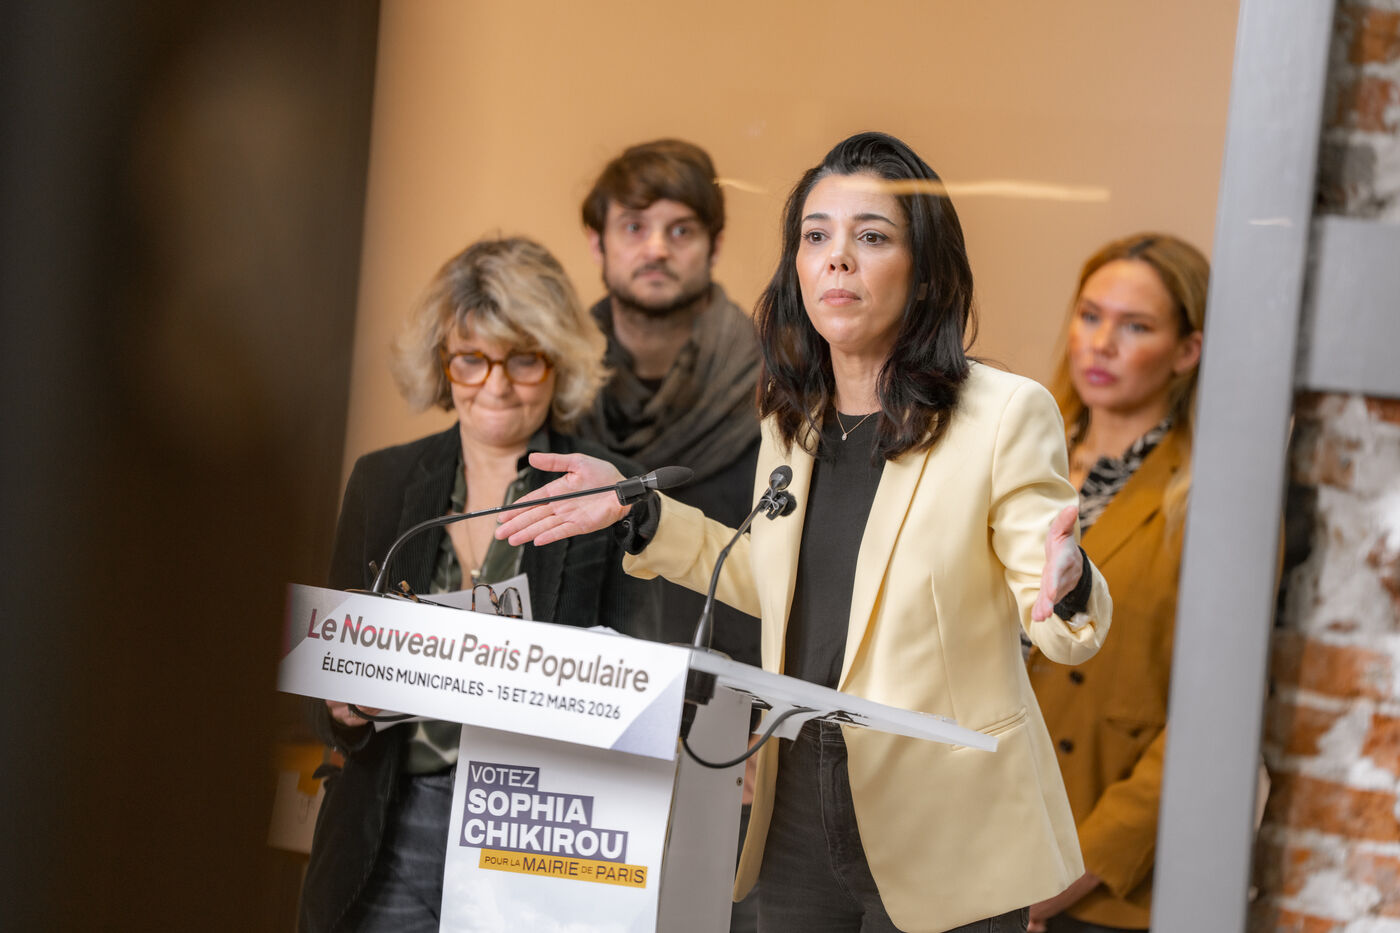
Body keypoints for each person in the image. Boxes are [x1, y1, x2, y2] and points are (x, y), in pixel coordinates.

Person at [496, 132, 1113, 933]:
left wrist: (1068, 582)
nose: (837, 258)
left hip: (944, 814)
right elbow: (777, 585)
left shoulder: (1003, 413)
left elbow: (1059, 617)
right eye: (816, 236)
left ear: (925, 270)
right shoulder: (794, 419)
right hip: (797, 797)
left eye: (872, 236)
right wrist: (636, 510)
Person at [298, 236, 660, 933]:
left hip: (536, 829)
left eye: (522, 358)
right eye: (471, 358)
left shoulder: (607, 493)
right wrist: (344, 707)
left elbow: (639, 688)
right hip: (389, 824)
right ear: (443, 363)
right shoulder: (382, 481)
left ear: (558, 361)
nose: (496, 385)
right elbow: (325, 686)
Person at [1025, 234, 1207, 933]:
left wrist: (1072, 874)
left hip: (1096, 886)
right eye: (1091, 315)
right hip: (968, 838)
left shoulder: (1205, 499)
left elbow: (1207, 724)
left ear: (1186, 351)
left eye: (1135, 327)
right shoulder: (1022, 460)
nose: (1101, 343)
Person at [575, 138, 762, 663]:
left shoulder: (783, 386)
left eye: (680, 230)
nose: (656, 249)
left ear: (714, 246)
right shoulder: (549, 384)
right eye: (634, 227)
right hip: (574, 677)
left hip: (735, 687)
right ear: (597, 243)